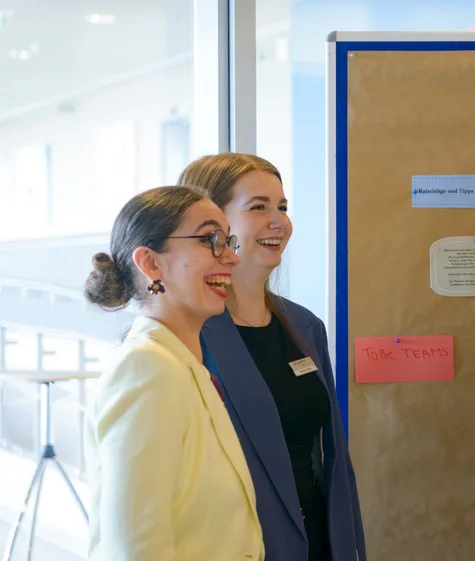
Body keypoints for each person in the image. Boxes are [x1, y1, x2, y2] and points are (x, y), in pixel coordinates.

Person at [178, 154, 366, 561]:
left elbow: (332, 460)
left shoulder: (305, 326)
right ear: (212, 226)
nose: (279, 221)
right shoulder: (186, 335)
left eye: (282, 206)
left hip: (314, 539)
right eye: (259, 207)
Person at [82, 186, 264, 560]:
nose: (231, 257)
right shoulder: (145, 369)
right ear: (151, 263)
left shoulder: (183, 365)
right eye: (211, 240)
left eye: (228, 241)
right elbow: (136, 548)